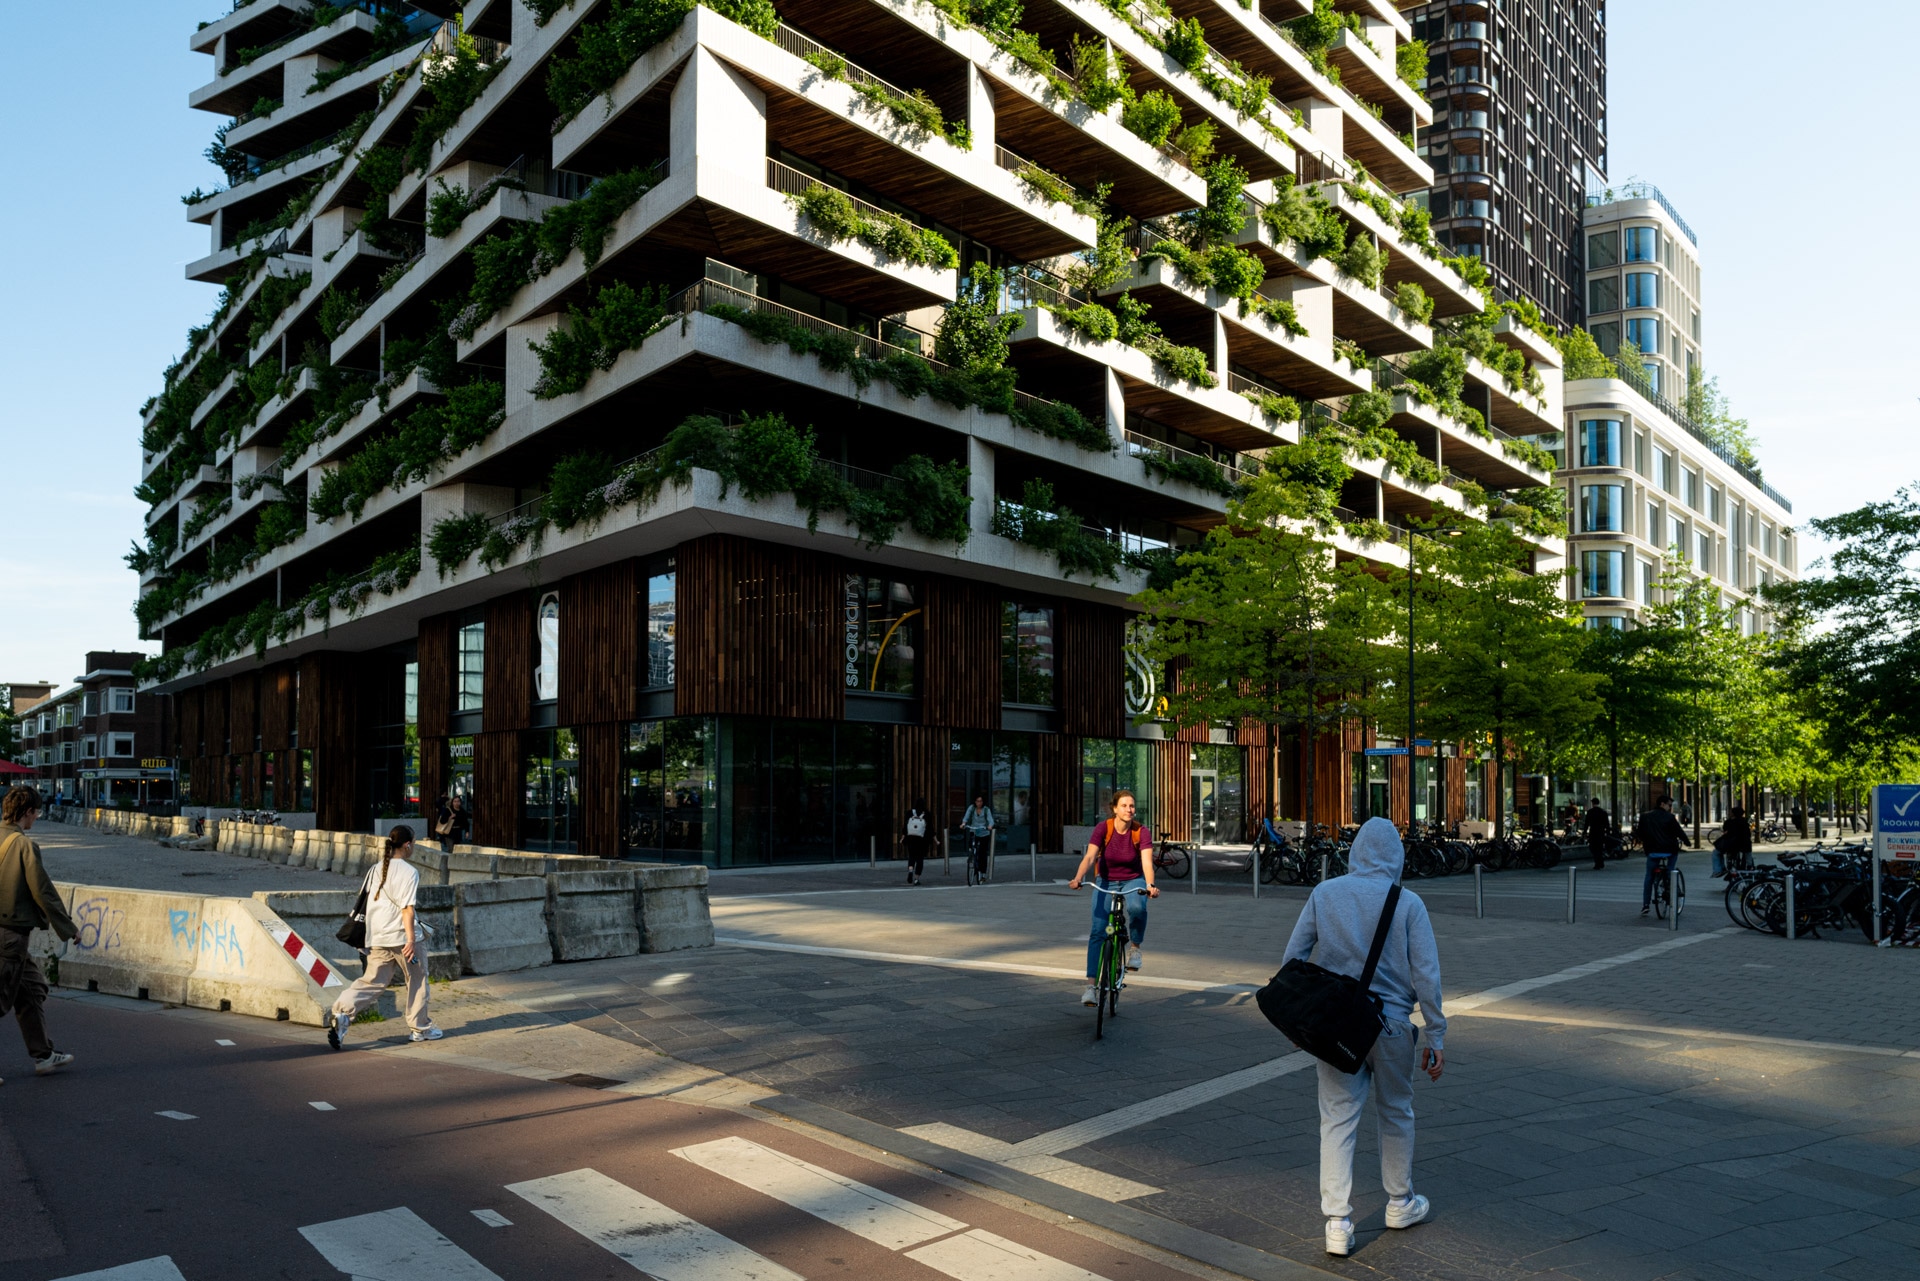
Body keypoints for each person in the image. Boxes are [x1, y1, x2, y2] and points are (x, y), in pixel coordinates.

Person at [1282, 817, 1446, 1257]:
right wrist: (1436, 1034)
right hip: (1391, 1026)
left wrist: (1299, 1021)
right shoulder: (1408, 903)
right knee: (1396, 1112)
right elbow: (1426, 976)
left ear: (1355, 852)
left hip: (1336, 1026)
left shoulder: (1325, 893)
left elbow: (1293, 957)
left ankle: (1337, 1221)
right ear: (1396, 855)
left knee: (1337, 1118)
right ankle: (1399, 1202)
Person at [327, 824, 440, 1049]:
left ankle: (342, 1013)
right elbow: (407, 910)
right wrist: (410, 940)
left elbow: (366, 903)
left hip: (377, 936)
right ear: (407, 845)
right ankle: (419, 1029)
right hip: (404, 939)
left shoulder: (375, 869)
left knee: (372, 982)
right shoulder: (410, 872)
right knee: (417, 980)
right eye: (414, 843)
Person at [0, 787, 77, 1083]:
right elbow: (43, 891)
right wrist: (68, 929)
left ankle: (43, 1055)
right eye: (36, 812)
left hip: (10, 940)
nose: (37, 818)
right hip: (11, 936)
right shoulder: (23, 846)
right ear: (27, 812)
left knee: (33, 990)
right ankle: (43, 1055)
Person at [1069, 790, 1159, 1004]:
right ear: (1115, 809)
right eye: (1125, 806)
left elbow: (1147, 862)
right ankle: (1091, 987)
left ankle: (1135, 949)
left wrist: (1150, 885)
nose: (1130, 810)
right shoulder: (1104, 828)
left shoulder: (1141, 831)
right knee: (1099, 931)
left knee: (1137, 907)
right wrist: (1078, 877)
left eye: (1132, 806)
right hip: (1106, 880)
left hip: (1133, 879)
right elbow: (1090, 856)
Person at [1634, 795, 1691, 916]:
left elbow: (1640, 833)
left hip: (1652, 851)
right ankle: (1672, 886)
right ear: (1662, 804)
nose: (1670, 808)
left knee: (1649, 876)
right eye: (1669, 805)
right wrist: (1687, 842)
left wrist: (1646, 843)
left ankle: (1645, 905)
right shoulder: (1670, 817)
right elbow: (1679, 832)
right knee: (1671, 872)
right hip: (1669, 850)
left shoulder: (1645, 816)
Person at [962, 794, 996, 883]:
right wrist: (963, 823)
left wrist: (990, 826)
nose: (979, 803)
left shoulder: (986, 810)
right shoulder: (972, 808)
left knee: (983, 853)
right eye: (977, 801)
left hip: (984, 832)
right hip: (974, 830)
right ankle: (971, 855)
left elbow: (991, 820)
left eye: (981, 801)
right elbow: (966, 816)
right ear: (975, 801)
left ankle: (983, 874)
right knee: (971, 844)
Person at [1717, 804, 1753, 878]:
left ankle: (1721, 870)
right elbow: (1748, 834)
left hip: (1732, 845)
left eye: (1731, 812)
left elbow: (1726, 832)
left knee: (1717, 853)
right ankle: (1750, 867)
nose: (1729, 813)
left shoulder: (1728, 822)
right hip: (1745, 844)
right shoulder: (1744, 821)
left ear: (1733, 813)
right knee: (1748, 855)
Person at [901, 797, 930, 886]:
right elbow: (930, 828)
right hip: (921, 839)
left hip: (911, 838)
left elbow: (905, 826)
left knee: (912, 856)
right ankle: (916, 879)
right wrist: (935, 840)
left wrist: (903, 837)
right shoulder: (926, 814)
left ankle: (910, 870)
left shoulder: (910, 813)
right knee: (920, 859)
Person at [1584, 797, 1612, 871]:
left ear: (1592, 803)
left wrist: (1584, 832)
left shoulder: (1590, 812)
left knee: (1593, 848)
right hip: (1601, 832)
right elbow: (1607, 824)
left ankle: (1597, 863)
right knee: (1600, 848)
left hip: (1593, 832)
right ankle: (1601, 861)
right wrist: (1608, 832)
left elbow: (1586, 823)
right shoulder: (1603, 812)